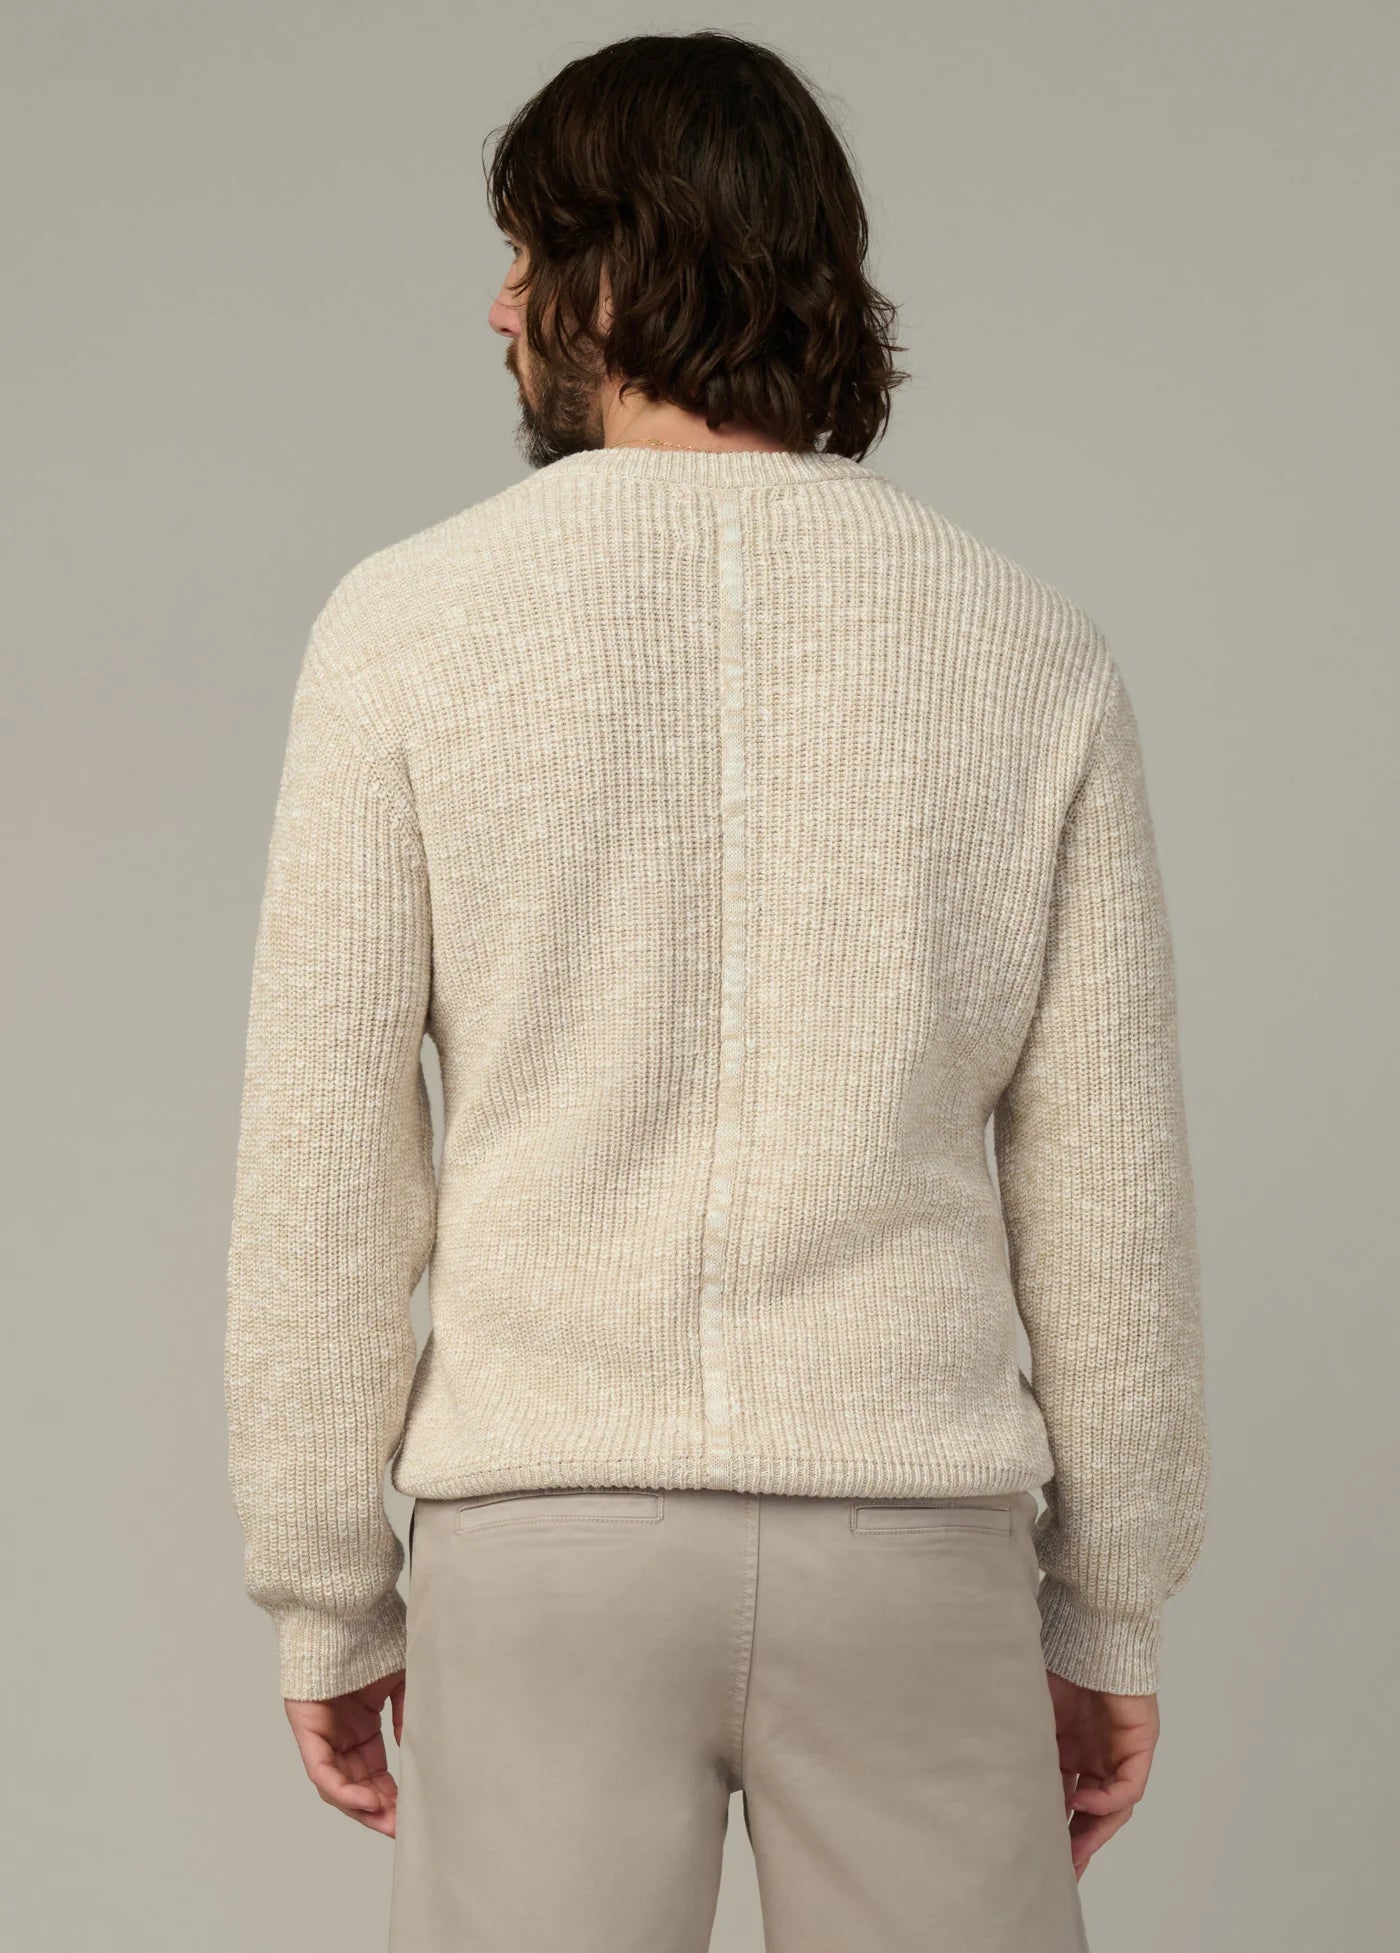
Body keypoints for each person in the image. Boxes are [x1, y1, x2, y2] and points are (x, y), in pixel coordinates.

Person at [223, 28, 1210, 1953]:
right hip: (909, 1544)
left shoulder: (404, 631)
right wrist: (1110, 1606)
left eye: (529, 253)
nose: (497, 304)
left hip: (545, 1542)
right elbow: (1107, 1193)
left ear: (621, 272)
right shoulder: (1027, 649)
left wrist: (326, 1588)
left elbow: (326, 1160)